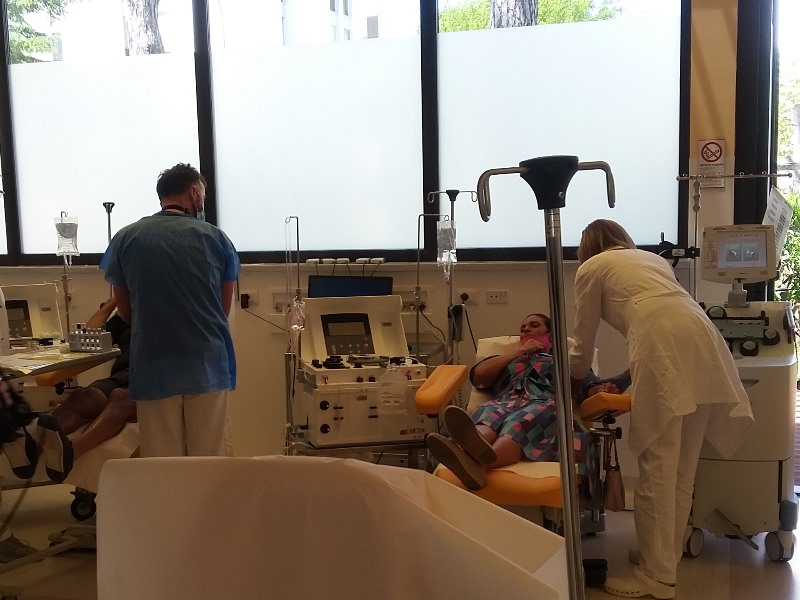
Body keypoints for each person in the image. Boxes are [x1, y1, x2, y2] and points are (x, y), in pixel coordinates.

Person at [568, 219, 753, 599]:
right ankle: (664, 562)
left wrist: (571, 381)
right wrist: (624, 378)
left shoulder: (592, 267)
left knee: (657, 469)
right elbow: (665, 319)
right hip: (703, 338)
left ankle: (656, 578)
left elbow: (582, 345)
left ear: (586, 248)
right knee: (682, 472)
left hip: (662, 343)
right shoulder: (653, 261)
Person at [100, 163, 241, 457]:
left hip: (154, 364)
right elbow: (222, 308)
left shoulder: (127, 238)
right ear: (193, 193)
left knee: (161, 459)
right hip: (205, 363)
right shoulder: (216, 239)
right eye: (202, 195)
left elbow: (125, 312)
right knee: (209, 456)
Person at [425, 312, 623, 493]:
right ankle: (472, 450)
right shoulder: (506, 359)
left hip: (544, 404)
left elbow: (590, 387)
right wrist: (519, 352)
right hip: (503, 401)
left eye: (534, 325)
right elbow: (480, 375)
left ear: (550, 337)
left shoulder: (566, 362)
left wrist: (602, 390)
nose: (526, 329)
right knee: (486, 413)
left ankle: (478, 464)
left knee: (522, 420)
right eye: (523, 328)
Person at [3, 294, 135, 485]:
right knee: (84, 396)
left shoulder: (170, 314)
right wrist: (111, 304)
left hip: (153, 383)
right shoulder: (126, 315)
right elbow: (86, 338)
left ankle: (71, 451)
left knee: (119, 398)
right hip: (121, 376)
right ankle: (30, 444)